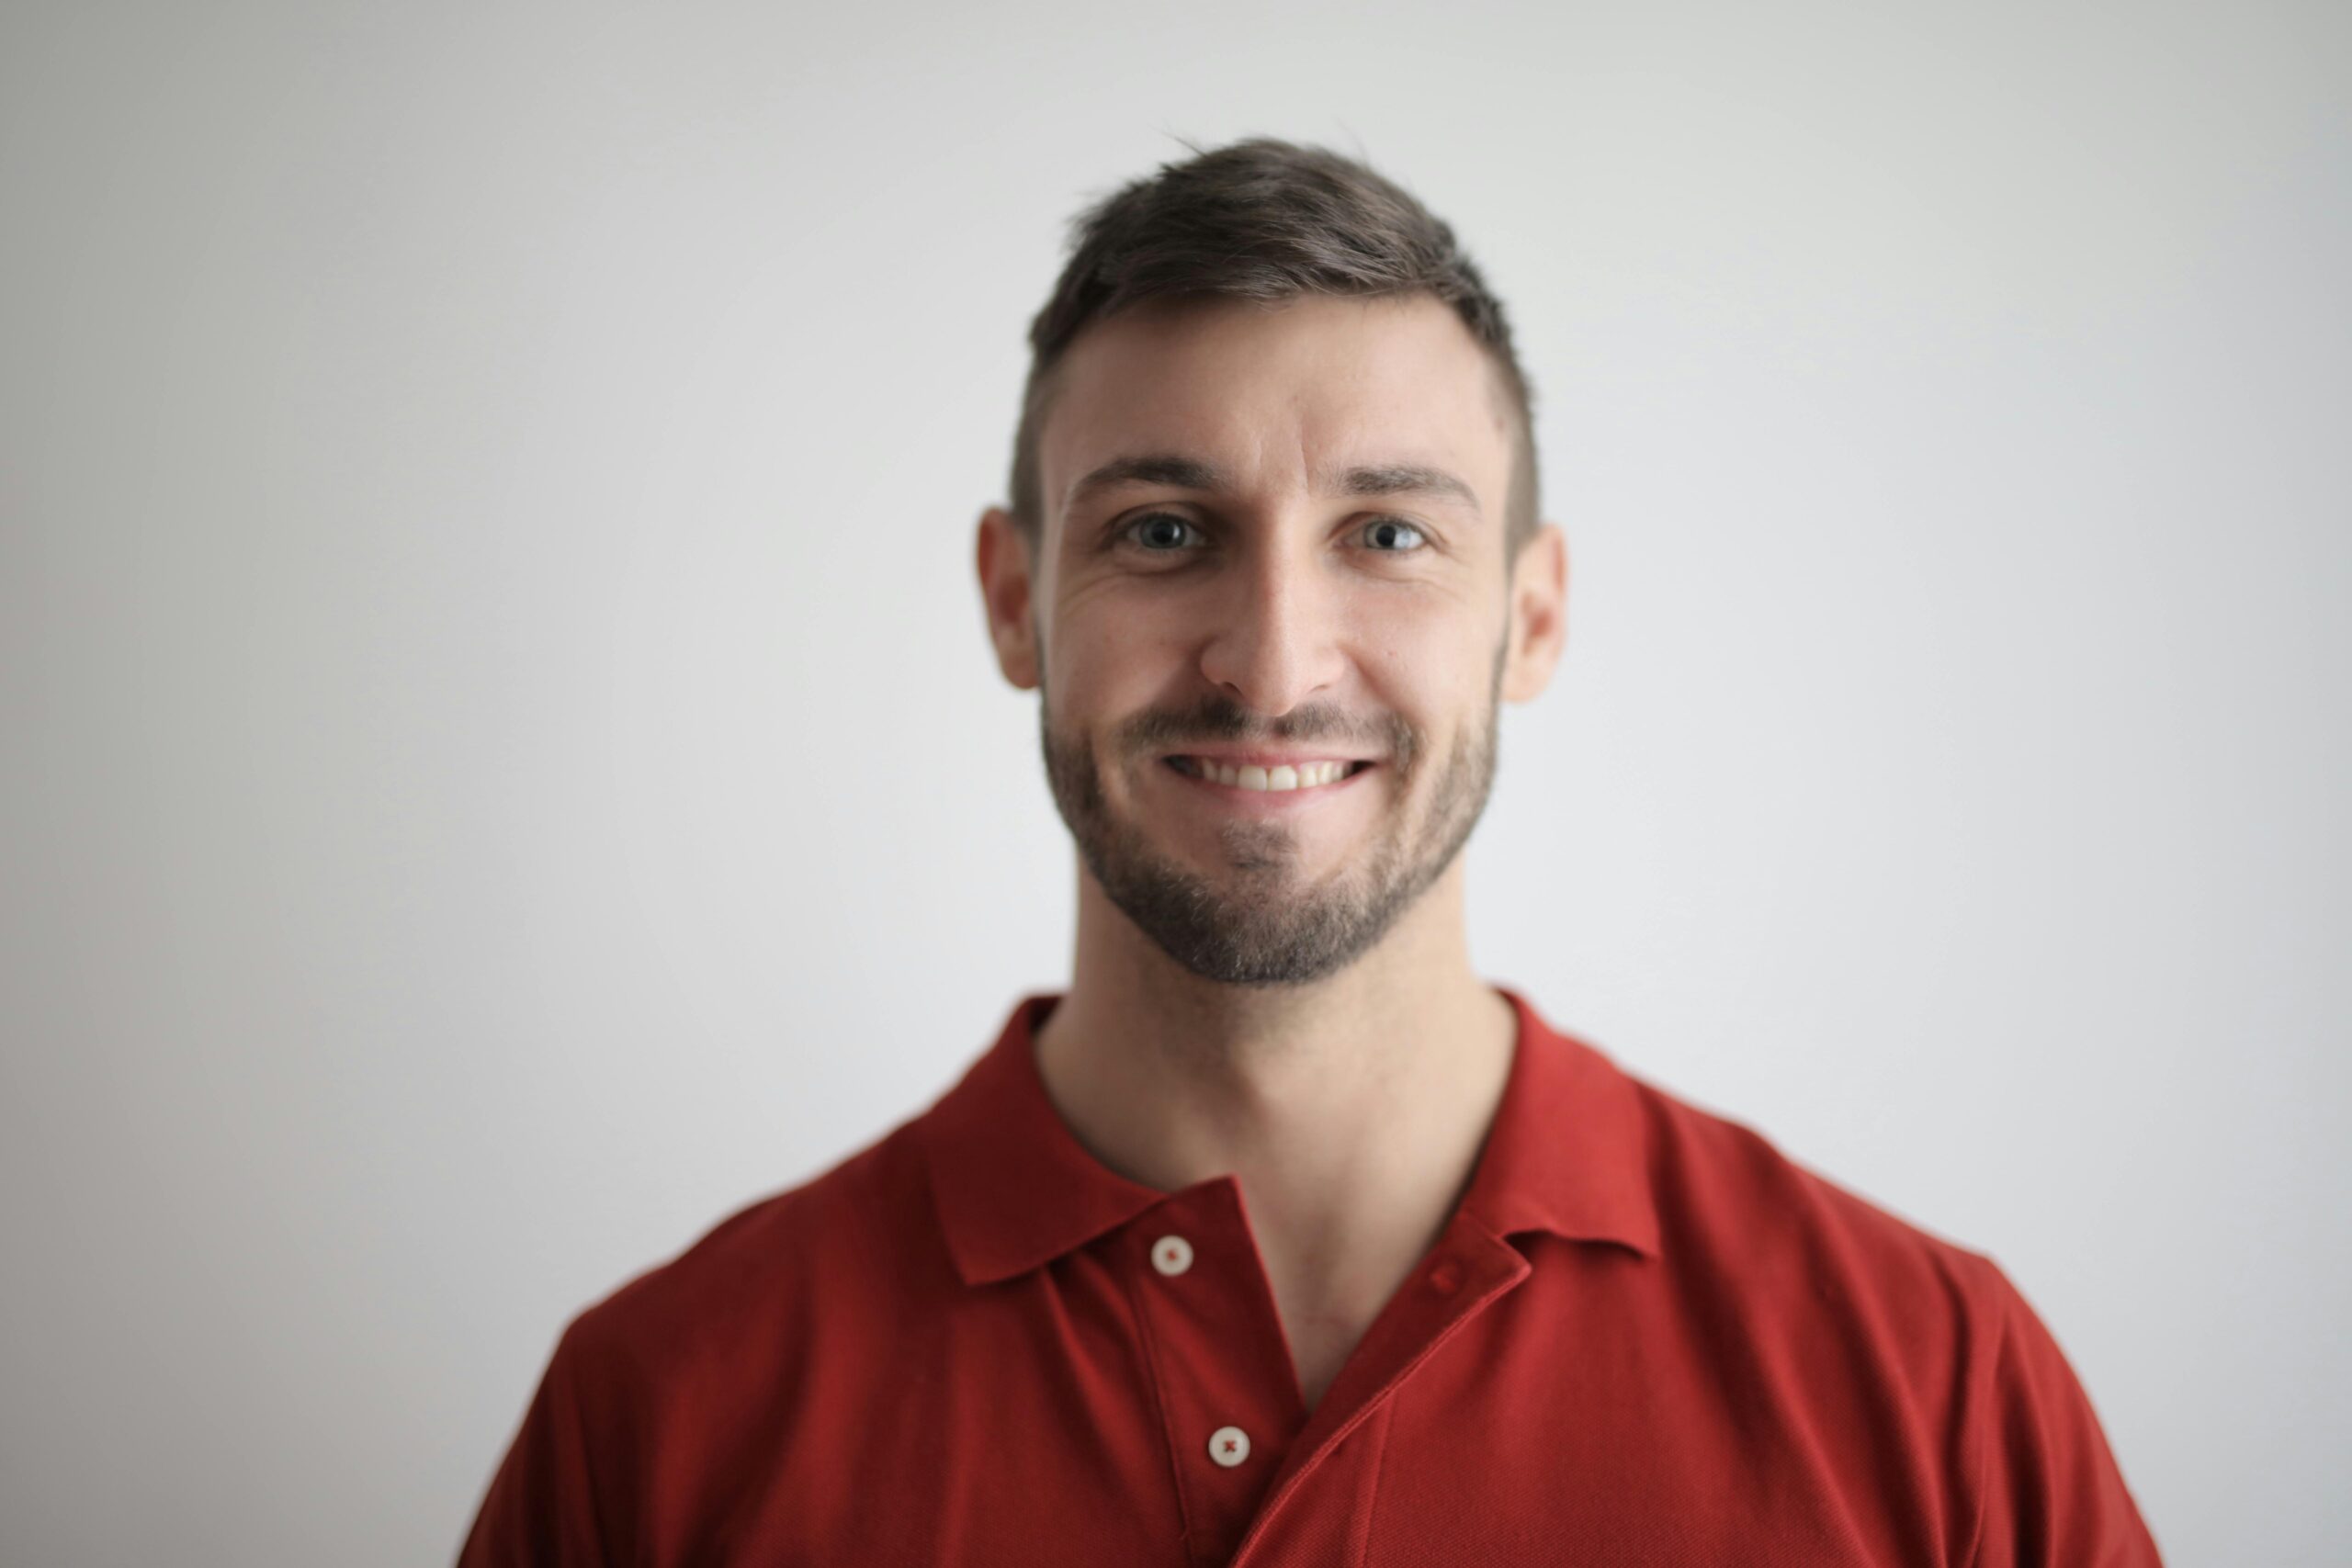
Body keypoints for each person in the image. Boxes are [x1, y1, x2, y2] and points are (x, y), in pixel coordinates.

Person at [457, 136, 2162, 1565]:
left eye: (1390, 533)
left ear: (1534, 617)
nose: (1273, 668)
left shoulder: (1936, 1394)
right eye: (1165, 531)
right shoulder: (664, 1425)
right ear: (1011, 600)